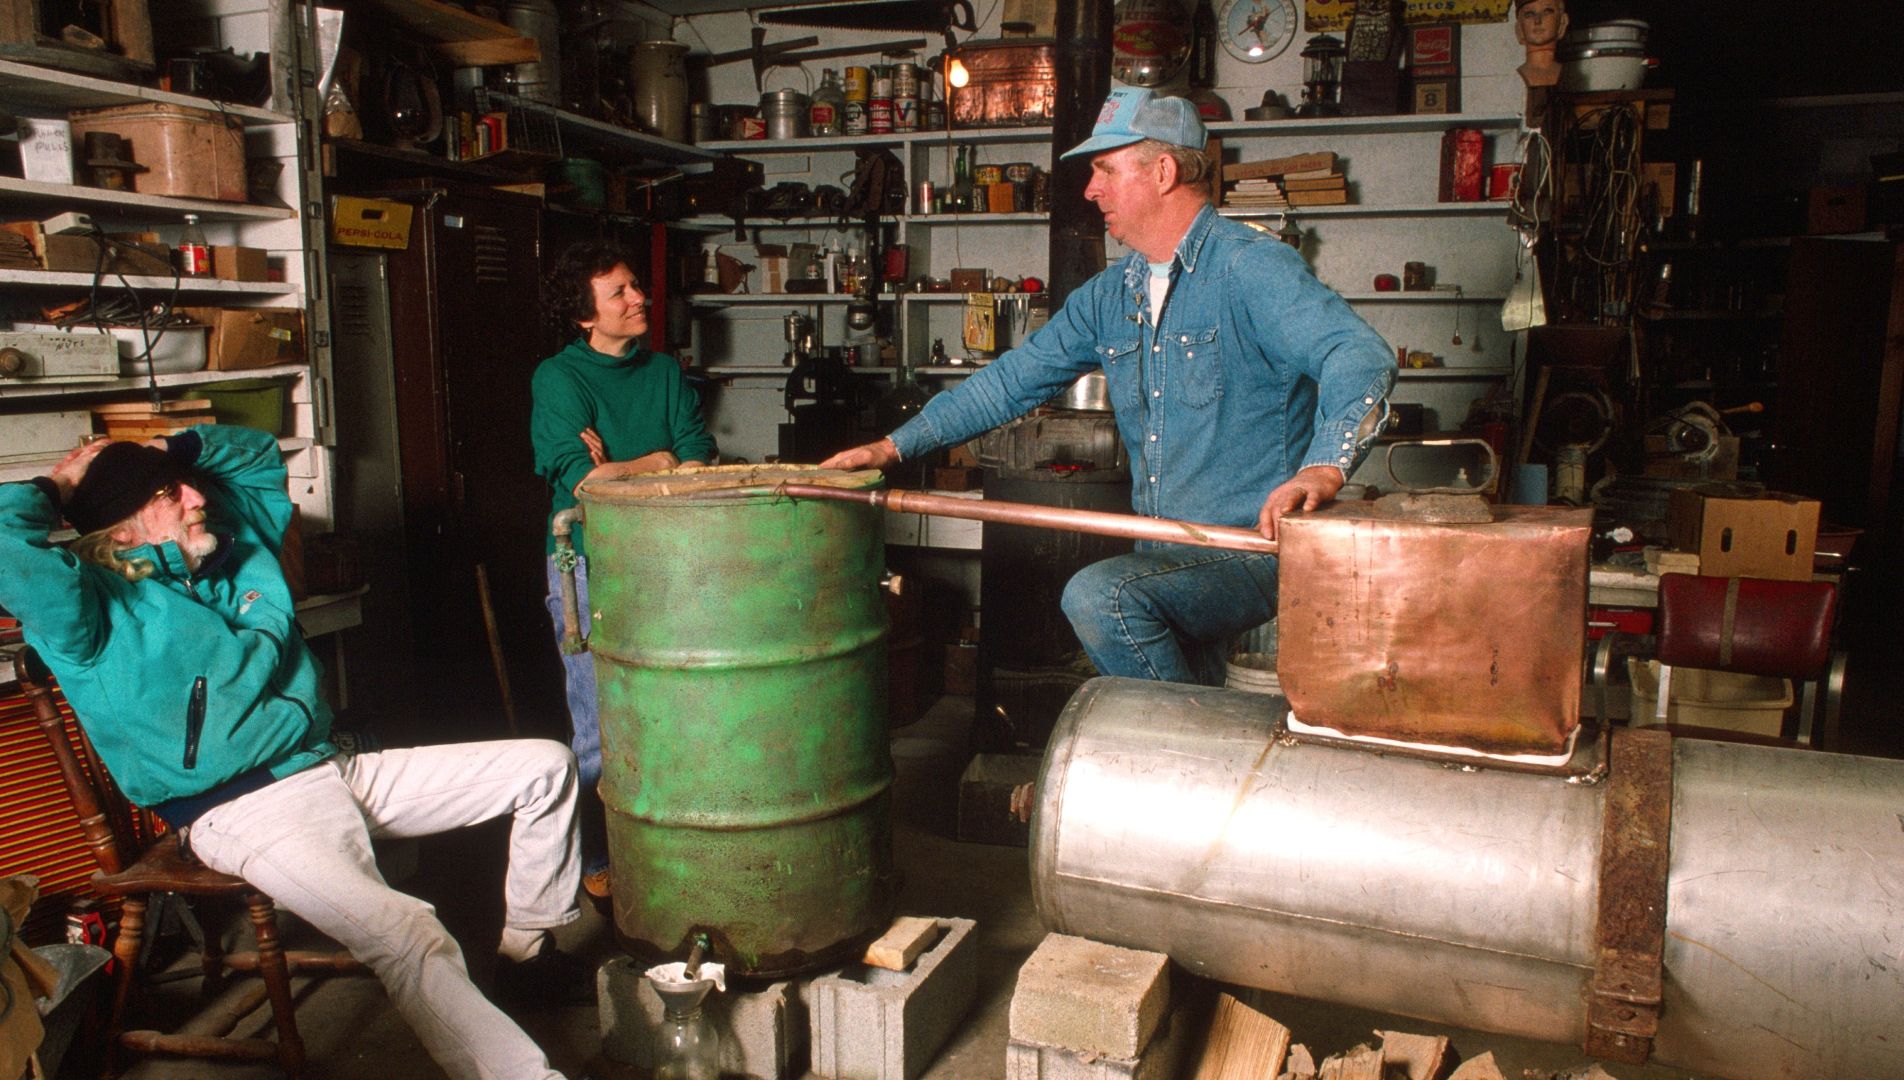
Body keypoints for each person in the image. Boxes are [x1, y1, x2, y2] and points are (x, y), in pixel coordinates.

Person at [0, 426, 588, 1080]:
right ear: (124, 531)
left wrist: (167, 449)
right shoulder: (91, 611)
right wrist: (60, 487)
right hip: (244, 810)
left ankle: (526, 951)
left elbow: (257, 454)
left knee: (547, 767)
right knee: (408, 934)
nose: (195, 497)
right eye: (167, 495)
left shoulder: (233, 553)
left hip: (322, 764)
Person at [822, 87, 1396, 687]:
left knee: (1101, 597)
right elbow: (1008, 383)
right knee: (1186, 685)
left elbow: (1357, 355)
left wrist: (1323, 467)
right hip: (1162, 550)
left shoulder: (1249, 267)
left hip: (1251, 553)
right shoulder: (1110, 293)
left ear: (1164, 171)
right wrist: (890, 448)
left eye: (1105, 169)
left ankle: (1178, 750)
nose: (1090, 189)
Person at [531, 241, 715, 908]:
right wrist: (654, 461)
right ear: (587, 316)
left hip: (666, 559)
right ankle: (602, 861)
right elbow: (578, 479)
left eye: (635, 285)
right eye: (620, 293)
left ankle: (669, 846)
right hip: (586, 565)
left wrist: (624, 467)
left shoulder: (663, 371)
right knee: (598, 727)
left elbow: (697, 456)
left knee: (675, 711)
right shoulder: (559, 379)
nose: (639, 299)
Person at [1515, 0, 1568, 87]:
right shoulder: (1513, 79)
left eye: (1547, 11)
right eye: (1529, 14)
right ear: (1519, 27)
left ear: (1562, 21)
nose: (1537, 20)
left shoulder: (1570, 75)